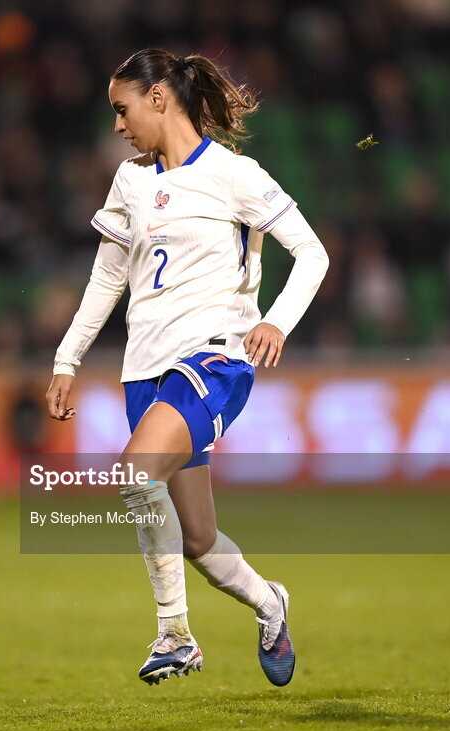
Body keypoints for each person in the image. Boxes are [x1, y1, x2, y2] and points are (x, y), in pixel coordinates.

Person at [46, 49, 328, 686]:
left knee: (135, 473)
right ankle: (270, 603)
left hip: (215, 359)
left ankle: (174, 633)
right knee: (197, 540)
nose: (118, 127)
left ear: (158, 99)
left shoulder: (236, 176)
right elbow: (107, 277)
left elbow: (312, 255)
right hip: (144, 373)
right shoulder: (131, 182)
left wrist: (274, 321)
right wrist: (67, 358)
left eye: (122, 110)